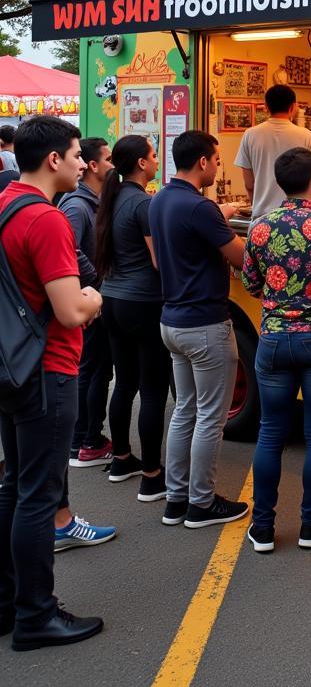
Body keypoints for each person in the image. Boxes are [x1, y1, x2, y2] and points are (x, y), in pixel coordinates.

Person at [0, 116, 104, 650]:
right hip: (48, 368)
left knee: (15, 486)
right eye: (75, 153)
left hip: (11, 364)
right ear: (53, 161)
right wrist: (96, 298)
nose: (84, 162)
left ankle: (9, 601)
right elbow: (69, 309)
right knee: (39, 496)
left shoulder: (4, 204)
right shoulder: (46, 220)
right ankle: (37, 616)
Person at [242, 147, 311, 554]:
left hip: (273, 342)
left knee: (270, 434)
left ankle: (262, 528)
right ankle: (310, 524)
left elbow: (251, 284)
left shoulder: (260, 227)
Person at [149, 130, 249, 530]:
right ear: (204, 162)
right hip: (205, 325)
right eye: (216, 158)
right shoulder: (199, 209)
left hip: (172, 322)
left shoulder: (161, 200)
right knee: (211, 416)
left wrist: (220, 215)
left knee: (185, 411)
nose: (218, 165)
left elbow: (192, 230)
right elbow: (240, 258)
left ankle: (176, 499)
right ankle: (202, 504)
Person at [94, 135, 171, 502]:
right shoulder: (144, 203)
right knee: (153, 390)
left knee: (124, 383)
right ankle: (152, 475)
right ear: (142, 163)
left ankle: (122, 458)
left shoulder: (113, 198)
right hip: (143, 302)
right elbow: (159, 261)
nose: (156, 161)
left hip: (112, 299)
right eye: (153, 156)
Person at [59, 138, 115, 469]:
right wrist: (95, 280)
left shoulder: (93, 202)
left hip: (94, 298)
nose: (113, 165)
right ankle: (84, 440)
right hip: (87, 301)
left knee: (97, 371)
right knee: (91, 370)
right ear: (94, 166)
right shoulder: (77, 206)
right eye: (107, 159)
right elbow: (71, 247)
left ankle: (87, 436)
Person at [235, 85, 311, 220]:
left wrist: (256, 205)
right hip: (298, 219)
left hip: (262, 218)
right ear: (293, 107)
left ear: (266, 107)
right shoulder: (306, 135)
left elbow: (249, 184)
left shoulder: (250, 134)